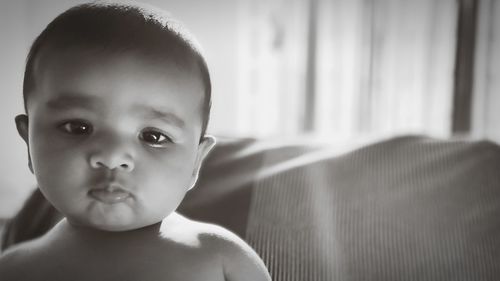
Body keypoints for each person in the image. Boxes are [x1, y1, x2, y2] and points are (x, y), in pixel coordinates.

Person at [0, 2, 271, 280]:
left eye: (153, 136)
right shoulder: (13, 268)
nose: (113, 156)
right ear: (29, 143)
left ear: (195, 162)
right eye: (78, 127)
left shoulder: (219, 258)